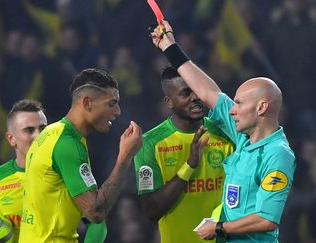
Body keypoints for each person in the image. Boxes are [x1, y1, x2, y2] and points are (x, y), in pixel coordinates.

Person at [150, 21, 296, 242]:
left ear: (261, 107)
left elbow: (267, 219)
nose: (233, 110)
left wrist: (219, 228)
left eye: (238, 104)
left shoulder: (277, 153)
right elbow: (208, 91)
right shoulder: (244, 137)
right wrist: (169, 47)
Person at [19, 68, 143, 242]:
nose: (118, 111)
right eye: (111, 103)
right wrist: (125, 157)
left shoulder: (50, 134)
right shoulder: (67, 144)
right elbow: (96, 212)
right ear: (87, 103)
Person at [134, 66, 234, 243]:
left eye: (196, 91)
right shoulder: (150, 144)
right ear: (169, 101)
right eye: (185, 93)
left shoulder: (227, 133)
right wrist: (189, 166)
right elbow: (151, 211)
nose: (195, 97)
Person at [0, 99, 47, 243]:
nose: (38, 136)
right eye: (29, 130)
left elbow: (96, 220)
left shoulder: (65, 172)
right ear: (11, 139)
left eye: (43, 129)